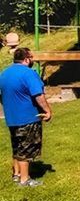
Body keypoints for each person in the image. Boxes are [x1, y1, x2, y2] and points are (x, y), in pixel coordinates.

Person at [0, 47, 51, 187]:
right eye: (32, 58)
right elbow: (38, 95)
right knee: (26, 148)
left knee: (16, 146)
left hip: (12, 118)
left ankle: (16, 174)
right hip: (28, 118)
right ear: (27, 59)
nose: (33, 60)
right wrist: (47, 111)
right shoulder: (29, 73)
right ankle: (25, 180)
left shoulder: (4, 73)